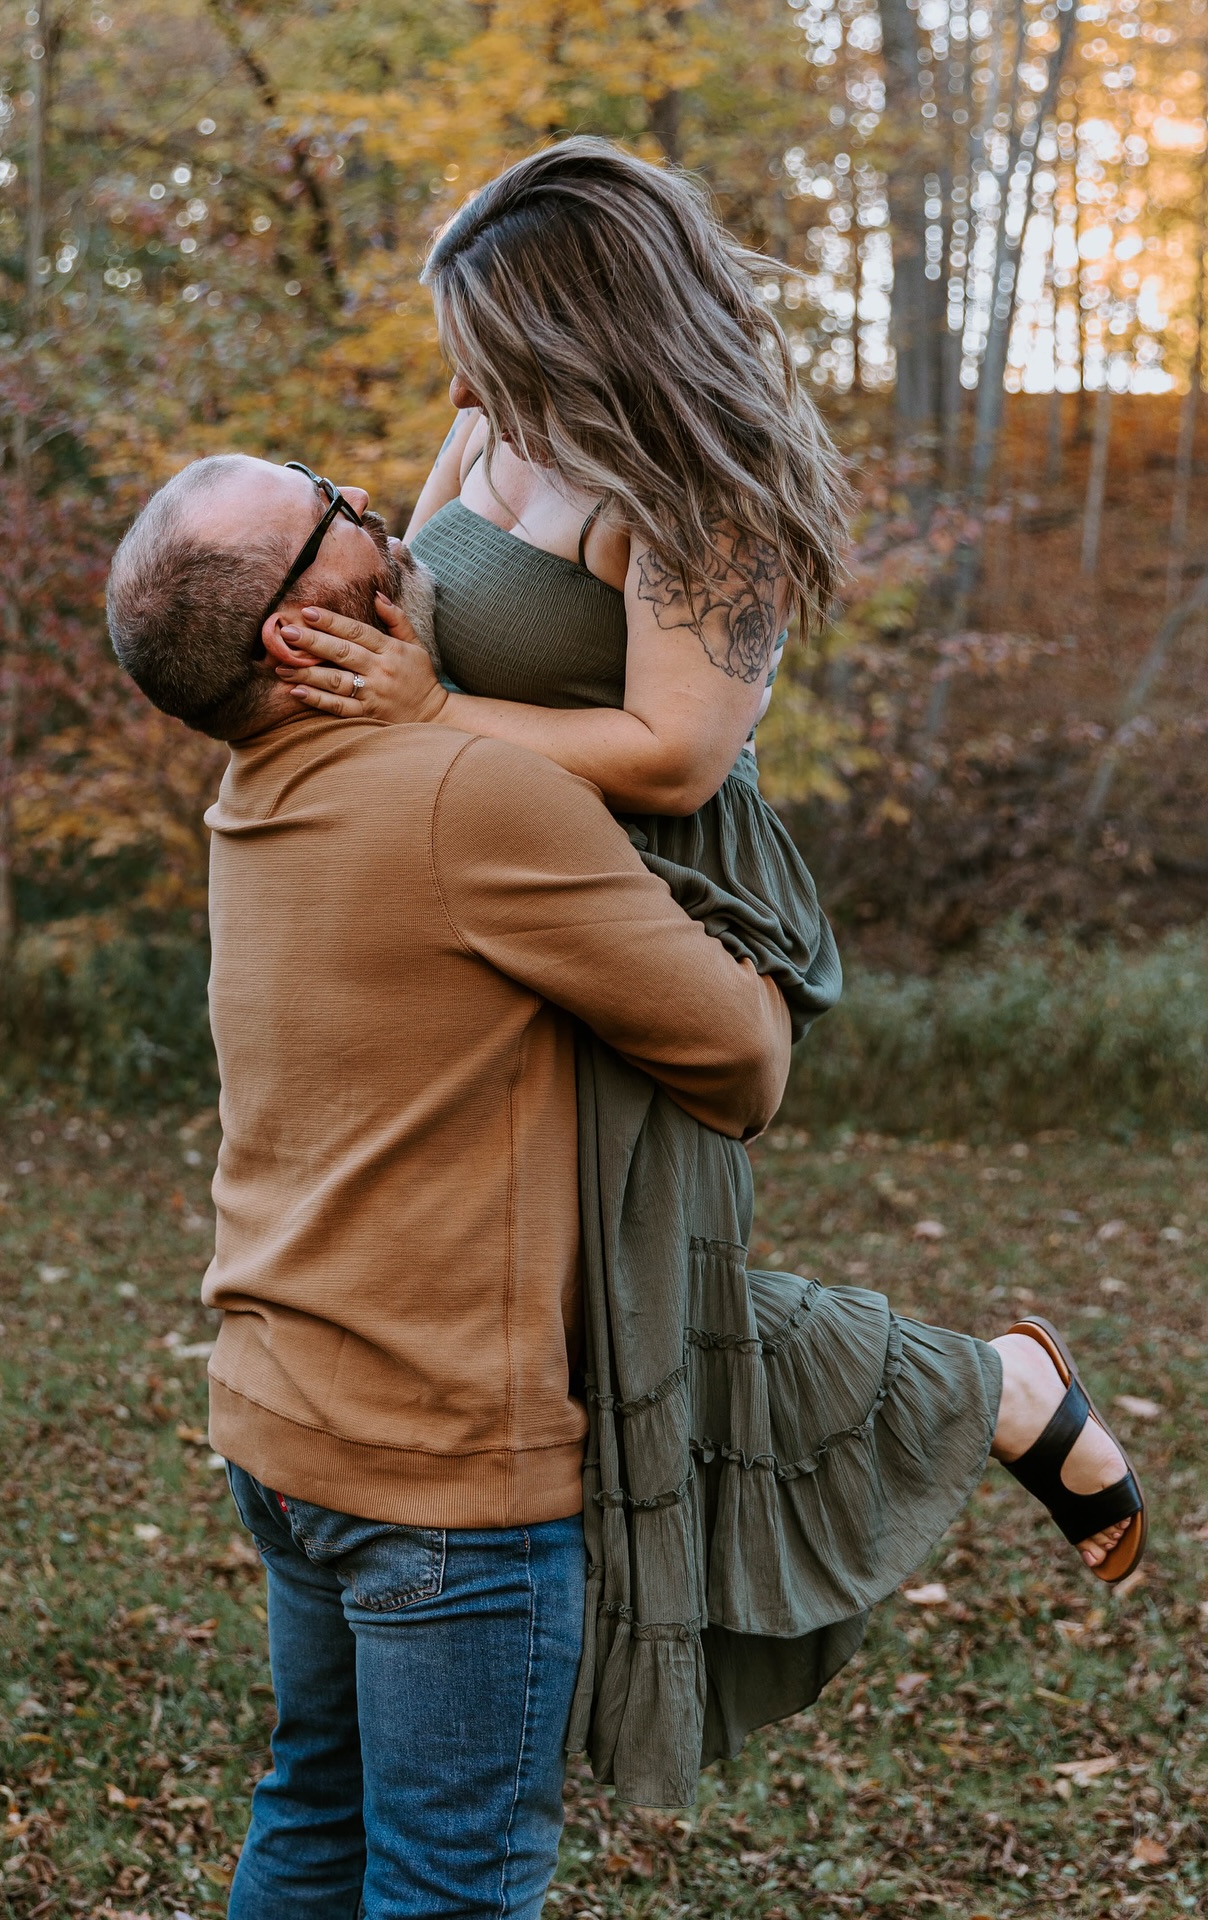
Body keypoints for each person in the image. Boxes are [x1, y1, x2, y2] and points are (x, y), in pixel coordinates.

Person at [260, 138, 1147, 1806]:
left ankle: (1004, 1393)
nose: (463, 377)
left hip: (660, 892)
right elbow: (424, 630)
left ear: (586, 328)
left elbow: (672, 752)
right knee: (547, 1294)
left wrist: (426, 723)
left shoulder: (704, 496)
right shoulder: (486, 426)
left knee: (634, 1298)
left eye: (493, 337)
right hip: (497, 865)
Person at [105, 451, 795, 1918]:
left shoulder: (253, 789)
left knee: (312, 1822)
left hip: (284, 1428)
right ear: (301, 636)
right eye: (334, 513)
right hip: (441, 1481)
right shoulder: (465, 795)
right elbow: (741, 1064)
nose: (384, 515)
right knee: (453, 1888)